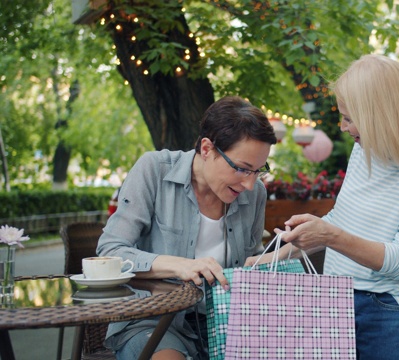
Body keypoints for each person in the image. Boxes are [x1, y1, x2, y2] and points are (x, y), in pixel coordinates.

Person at [247, 54, 399, 359]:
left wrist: (328, 235)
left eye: (349, 117)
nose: (343, 127)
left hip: (392, 313)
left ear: (379, 116)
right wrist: (276, 254)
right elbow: (343, 221)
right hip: (337, 301)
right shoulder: (365, 149)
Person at [97, 96, 277, 360]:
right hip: (153, 321)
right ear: (207, 148)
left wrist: (283, 254)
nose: (250, 184)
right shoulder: (154, 171)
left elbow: (250, 267)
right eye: (242, 169)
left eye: (259, 171)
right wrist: (178, 265)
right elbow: (109, 253)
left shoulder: (255, 193)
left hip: (229, 323)